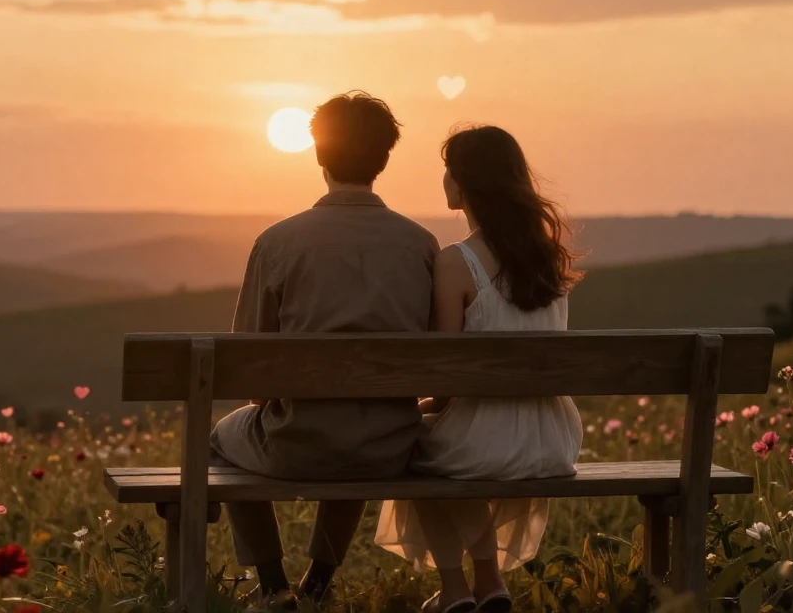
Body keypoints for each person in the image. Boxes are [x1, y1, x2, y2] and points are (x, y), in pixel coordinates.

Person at [210, 90, 440, 608]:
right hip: (389, 446)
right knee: (362, 418)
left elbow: (247, 366)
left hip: (298, 442)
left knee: (219, 440)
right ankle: (319, 580)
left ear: (317, 154)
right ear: (385, 157)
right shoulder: (421, 244)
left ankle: (272, 586)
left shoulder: (278, 242)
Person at [374, 125, 584, 613]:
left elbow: (446, 377)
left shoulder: (456, 262)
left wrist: (426, 405)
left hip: (489, 437)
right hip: (550, 437)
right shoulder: (548, 258)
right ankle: (488, 584)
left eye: (448, 170)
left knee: (413, 447)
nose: (444, 179)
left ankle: (456, 588)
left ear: (464, 183)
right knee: (442, 444)